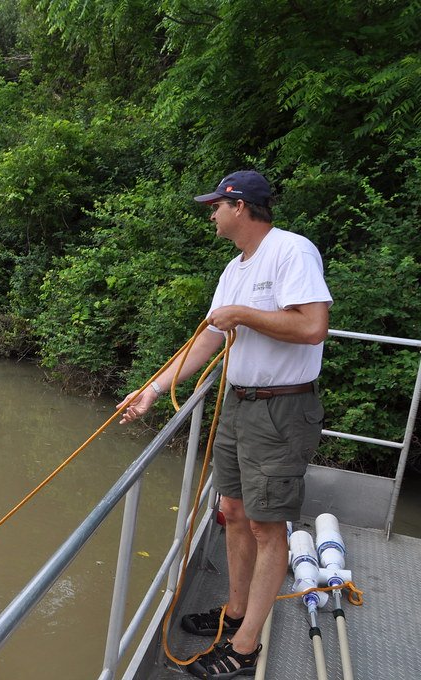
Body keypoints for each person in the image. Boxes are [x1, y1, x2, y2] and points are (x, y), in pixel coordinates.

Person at [117, 170, 332, 679]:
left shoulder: (291, 251)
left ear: (240, 207)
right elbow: (208, 340)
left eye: (215, 205)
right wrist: (150, 389)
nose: (210, 214)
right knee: (233, 510)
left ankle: (246, 645)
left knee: (266, 523)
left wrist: (245, 313)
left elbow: (312, 325)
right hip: (238, 404)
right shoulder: (234, 269)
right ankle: (233, 613)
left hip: (281, 410)